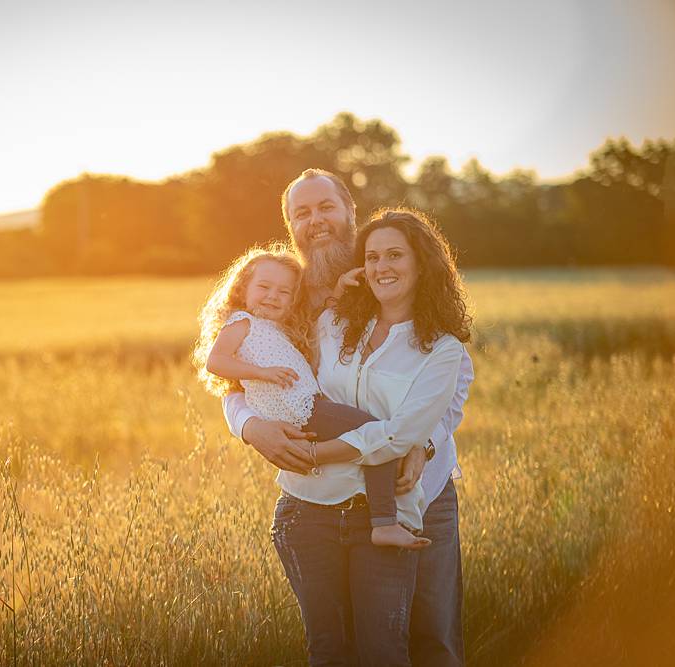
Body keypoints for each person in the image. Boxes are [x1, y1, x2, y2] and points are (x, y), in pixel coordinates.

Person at [224, 169, 474, 667]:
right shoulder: (292, 297)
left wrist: (420, 446)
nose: (315, 221)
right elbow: (242, 378)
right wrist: (251, 427)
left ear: (349, 212)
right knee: (349, 646)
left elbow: (449, 391)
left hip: (415, 488)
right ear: (290, 224)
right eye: (302, 213)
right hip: (327, 498)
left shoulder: (389, 281)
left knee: (432, 638)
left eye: (325, 208)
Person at [192, 244, 431, 549]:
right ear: (242, 289)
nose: (272, 296)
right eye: (264, 287)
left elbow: (322, 320)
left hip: (311, 407)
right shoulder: (241, 322)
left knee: (374, 438)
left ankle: (384, 520)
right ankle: (384, 523)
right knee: (378, 434)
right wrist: (262, 373)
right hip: (303, 411)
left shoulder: (276, 327)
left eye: (284, 292)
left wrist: (339, 293)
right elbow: (216, 362)